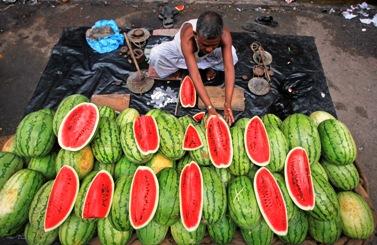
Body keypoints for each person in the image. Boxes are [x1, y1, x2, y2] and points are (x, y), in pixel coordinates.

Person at [149, 11, 238, 125]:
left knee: (233, 57)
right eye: (205, 44)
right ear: (196, 35)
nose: (210, 49)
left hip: (205, 58)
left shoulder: (224, 36)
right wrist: (210, 108)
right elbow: (194, 74)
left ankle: (207, 66)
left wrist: (228, 103)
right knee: (156, 54)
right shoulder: (187, 36)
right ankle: (197, 67)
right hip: (181, 52)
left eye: (214, 44)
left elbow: (229, 68)